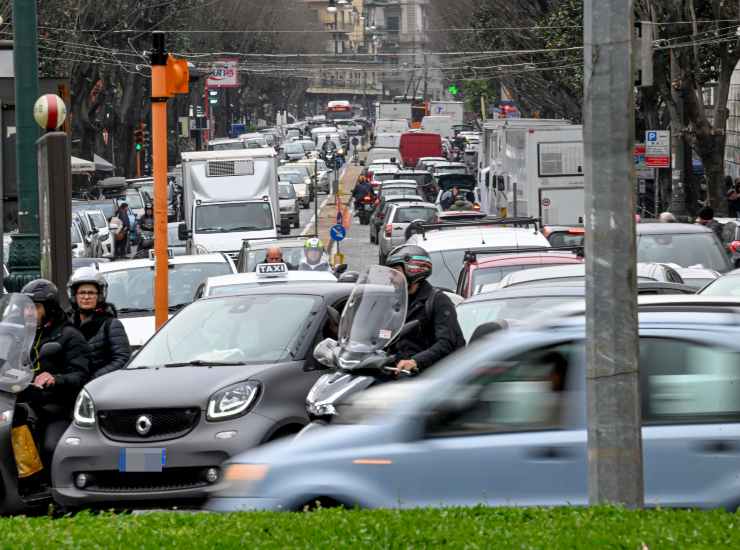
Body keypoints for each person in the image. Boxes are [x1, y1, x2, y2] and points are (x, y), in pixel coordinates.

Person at [18, 279, 90, 463]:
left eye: (35, 307)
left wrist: (55, 379)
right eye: (26, 307)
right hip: (25, 403)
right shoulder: (25, 334)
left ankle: (53, 488)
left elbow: (80, 375)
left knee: (51, 448)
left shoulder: (69, 336)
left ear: (49, 308)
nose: (28, 312)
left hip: (56, 408)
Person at [384, 245, 466, 375]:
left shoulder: (438, 300)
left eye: (395, 271)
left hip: (429, 376)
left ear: (413, 270)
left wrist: (415, 361)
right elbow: (383, 336)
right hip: (397, 373)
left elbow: (446, 343)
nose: (391, 277)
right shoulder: (396, 302)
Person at [68, 268, 130, 380]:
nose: (86, 297)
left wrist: (94, 378)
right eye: (82, 293)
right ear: (74, 295)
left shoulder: (111, 324)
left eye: (91, 293)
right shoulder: (68, 324)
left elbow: (122, 358)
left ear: (100, 296)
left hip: (100, 387)